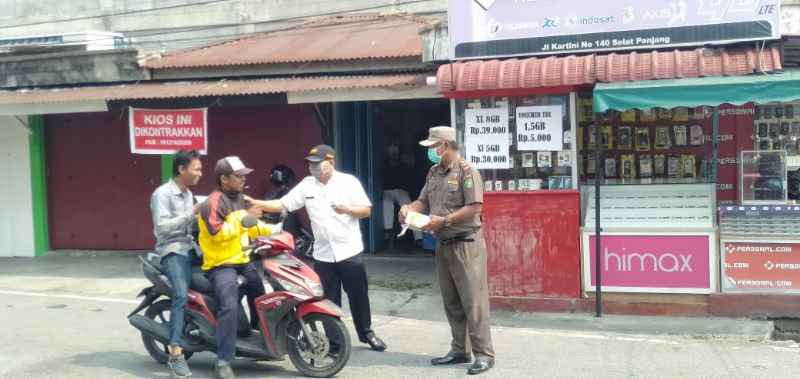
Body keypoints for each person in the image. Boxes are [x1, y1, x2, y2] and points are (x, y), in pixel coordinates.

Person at [253, 144, 387, 352]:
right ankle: (335, 342)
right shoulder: (307, 185)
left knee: (358, 295)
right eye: (310, 164)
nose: (312, 168)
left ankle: (367, 333)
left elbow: (366, 210)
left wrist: (348, 210)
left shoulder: (348, 182)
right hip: (323, 254)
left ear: (331, 163)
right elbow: (283, 204)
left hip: (349, 251)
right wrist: (255, 202)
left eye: (317, 164)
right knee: (328, 300)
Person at [399, 126, 495, 375]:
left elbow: (475, 207)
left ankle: (484, 354)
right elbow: (424, 201)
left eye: (434, 146)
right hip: (443, 245)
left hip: (466, 244)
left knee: (473, 302)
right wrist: (409, 208)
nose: (431, 151)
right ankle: (459, 350)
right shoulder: (433, 172)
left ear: (446, 145)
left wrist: (445, 221)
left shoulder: (467, 171)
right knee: (452, 301)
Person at [197, 156, 273, 379]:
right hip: (220, 265)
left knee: (260, 293)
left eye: (244, 176)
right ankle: (223, 360)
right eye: (238, 176)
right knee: (229, 305)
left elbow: (252, 227)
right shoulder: (213, 202)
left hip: (241, 261)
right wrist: (244, 219)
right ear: (224, 179)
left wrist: (275, 231)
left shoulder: (240, 198)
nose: (243, 180)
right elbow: (218, 233)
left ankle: (256, 337)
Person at [149, 149, 203, 379]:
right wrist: (191, 214)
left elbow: (193, 227)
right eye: (197, 168)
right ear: (182, 169)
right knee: (181, 293)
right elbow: (161, 228)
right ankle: (175, 352)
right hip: (172, 250)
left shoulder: (190, 194)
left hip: (193, 249)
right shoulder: (161, 194)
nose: (201, 172)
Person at [381, 145, 422, 245]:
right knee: (387, 206)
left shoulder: (403, 165)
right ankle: (387, 230)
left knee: (410, 210)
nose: (393, 156)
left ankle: (418, 237)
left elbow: (409, 180)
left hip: (401, 191)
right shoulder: (385, 165)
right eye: (392, 153)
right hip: (388, 191)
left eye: (395, 153)